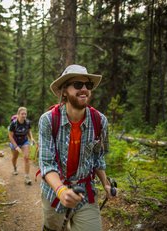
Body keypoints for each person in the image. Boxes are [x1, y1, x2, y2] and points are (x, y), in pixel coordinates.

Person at [38, 64, 114, 230]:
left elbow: (98, 158)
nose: (84, 89)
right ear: (64, 90)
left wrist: (105, 183)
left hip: (86, 192)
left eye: (88, 85)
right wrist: (61, 191)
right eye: (78, 85)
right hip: (53, 192)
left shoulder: (100, 121)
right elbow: (46, 163)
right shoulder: (48, 120)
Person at [8, 107, 35, 185]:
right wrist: (16, 146)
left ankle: (27, 177)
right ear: (18, 114)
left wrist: (32, 138)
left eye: (25, 114)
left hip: (24, 142)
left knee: (26, 157)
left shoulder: (27, 122)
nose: (24, 115)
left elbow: (29, 131)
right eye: (22, 114)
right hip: (15, 142)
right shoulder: (13, 124)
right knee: (15, 157)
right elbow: (10, 136)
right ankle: (15, 168)